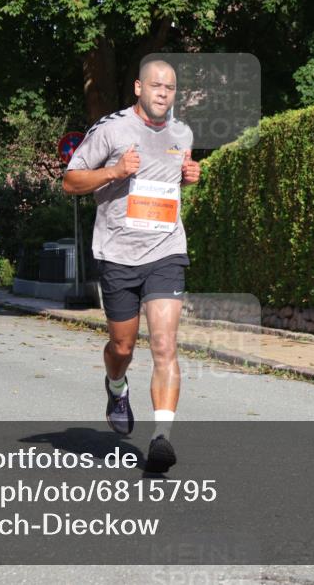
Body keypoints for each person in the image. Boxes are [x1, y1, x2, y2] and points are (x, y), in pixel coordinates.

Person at [63, 59, 201, 473]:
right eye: (156, 85)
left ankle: (161, 438)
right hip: (118, 253)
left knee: (164, 344)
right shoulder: (111, 129)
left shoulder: (182, 133)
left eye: (170, 88)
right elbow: (71, 181)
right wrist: (114, 171)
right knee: (122, 346)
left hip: (166, 249)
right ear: (138, 87)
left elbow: (176, 177)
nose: (163, 93)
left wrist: (190, 174)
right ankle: (117, 385)